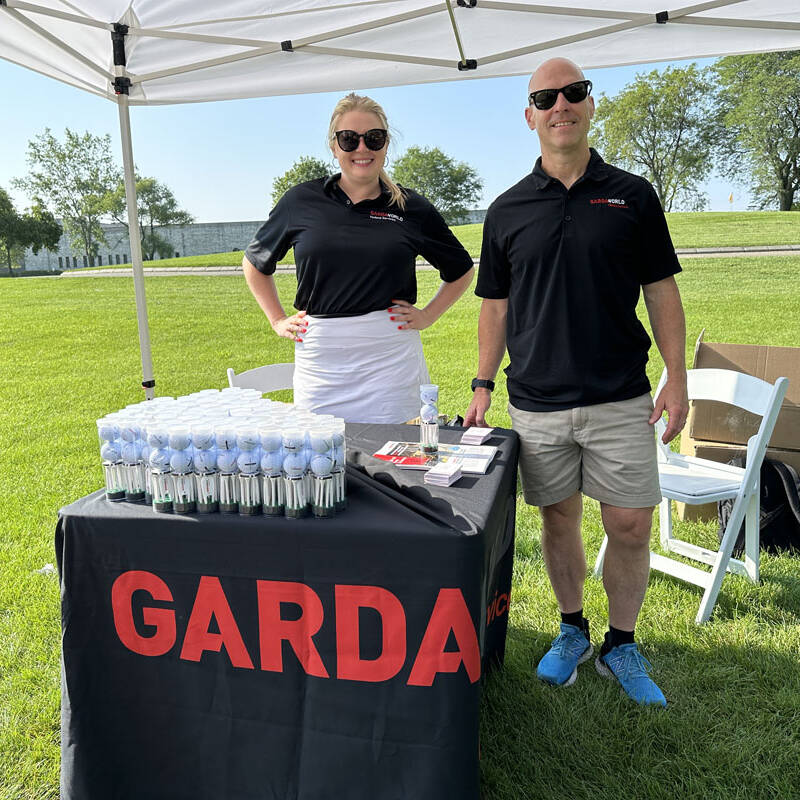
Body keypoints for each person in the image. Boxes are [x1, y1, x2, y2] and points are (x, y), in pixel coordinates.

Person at [464, 58, 689, 707]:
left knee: (629, 525)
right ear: (530, 115)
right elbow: (495, 306)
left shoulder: (633, 195)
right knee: (558, 521)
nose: (560, 105)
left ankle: (622, 644)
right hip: (537, 400)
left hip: (622, 396)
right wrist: (482, 382)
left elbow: (661, 291)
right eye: (546, 96)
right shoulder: (506, 210)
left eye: (573, 93)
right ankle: (572, 631)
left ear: (591, 104)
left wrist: (676, 376)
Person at [242, 93, 474, 423]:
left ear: (386, 145)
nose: (361, 149)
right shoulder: (301, 201)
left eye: (373, 139)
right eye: (349, 139)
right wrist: (277, 320)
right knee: (322, 460)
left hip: (391, 362)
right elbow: (254, 263)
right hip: (322, 364)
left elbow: (461, 270)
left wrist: (428, 315)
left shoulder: (411, 207)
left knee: (396, 461)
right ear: (334, 147)